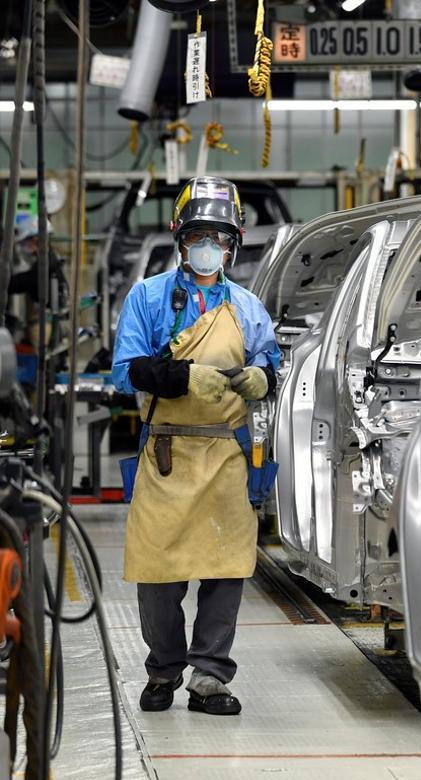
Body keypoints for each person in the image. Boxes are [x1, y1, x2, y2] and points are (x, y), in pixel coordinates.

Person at [112, 176, 280, 716]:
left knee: (226, 569)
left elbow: (272, 362)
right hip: (166, 455)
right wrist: (182, 378)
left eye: (221, 237)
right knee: (159, 574)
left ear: (234, 243)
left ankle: (209, 677)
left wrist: (264, 376)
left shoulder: (249, 307)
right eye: (200, 235)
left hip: (225, 456)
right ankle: (163, 670)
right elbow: (125, 371)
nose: (210, 246)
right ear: (180, 237)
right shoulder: (149, 297)